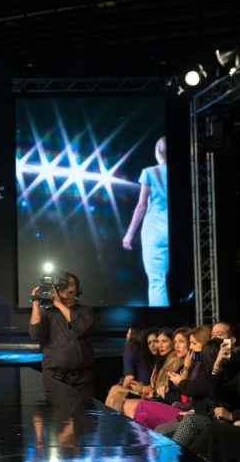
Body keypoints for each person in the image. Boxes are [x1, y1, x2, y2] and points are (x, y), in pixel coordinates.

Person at [29, 272, 95, 398]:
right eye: (62, 285)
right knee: (59, 416)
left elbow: (82, 328)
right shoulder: (47, 313)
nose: (65, 288)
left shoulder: (86, 311)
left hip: (82, 380)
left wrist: (58, 304)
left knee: (85, 415)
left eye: (70, 284)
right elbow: (35, 335)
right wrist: (36, 304)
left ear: (77, 289)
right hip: (55, 378)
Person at [122, 136, 168, 306]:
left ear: (158, 151)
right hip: (176, 229)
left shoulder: (150, 172)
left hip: (155, 231)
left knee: (157, 282)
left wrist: (129, 235)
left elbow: (141, 206)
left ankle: (162, 326)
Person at [104, 324, 153, 409]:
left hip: (141, 389)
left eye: (129, 333)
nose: (126, 335)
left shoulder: (130, 350)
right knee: (116, 391)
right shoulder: (144, 350)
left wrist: (121, 390)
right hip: (147, 387)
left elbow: (130, 377)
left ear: (134, 335)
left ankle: (105, 417)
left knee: (115, 389)